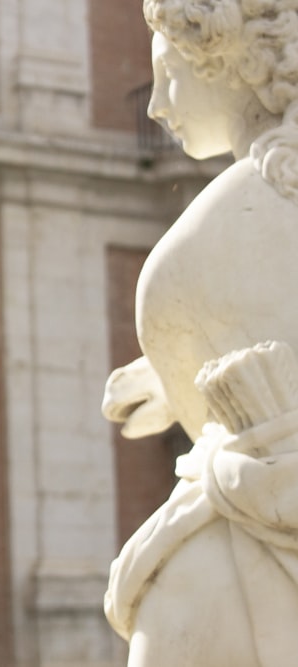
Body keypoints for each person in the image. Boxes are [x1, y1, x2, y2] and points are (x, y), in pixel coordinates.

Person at [102, 2, 298, 665]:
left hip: (263, 520)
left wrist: (191, 370)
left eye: (170, 73)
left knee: (176, 592)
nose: (157, 105)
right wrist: (178, 371)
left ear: (232, 64)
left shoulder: (223, 230)